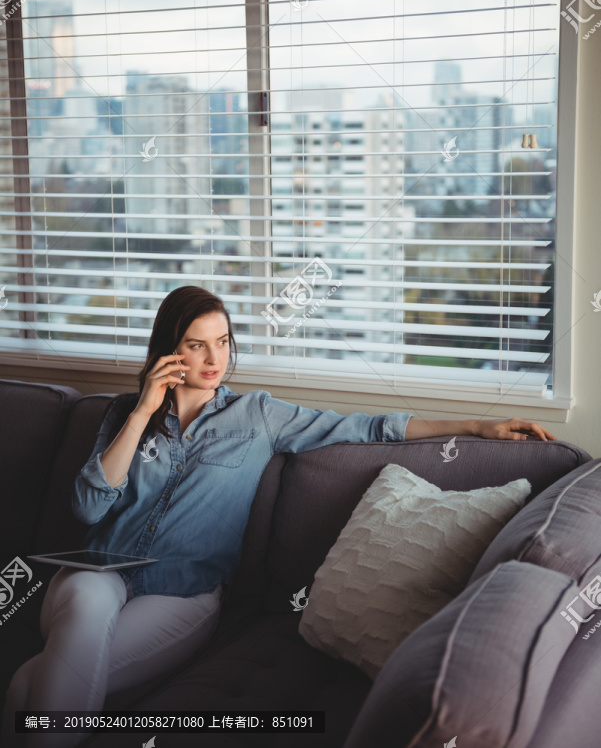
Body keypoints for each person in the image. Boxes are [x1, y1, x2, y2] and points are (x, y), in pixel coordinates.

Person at [1, 285, 556, 746]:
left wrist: (475, 427)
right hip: (95, 573)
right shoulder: (125, 412)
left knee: (45, 678)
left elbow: (365, 426)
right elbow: (88, 505)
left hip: (182, 595)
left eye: (222, 342)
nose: (215, 359)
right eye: (197, 345)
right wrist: (144, 409)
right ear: (168, 352)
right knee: (82, 639)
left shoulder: (260, 415)